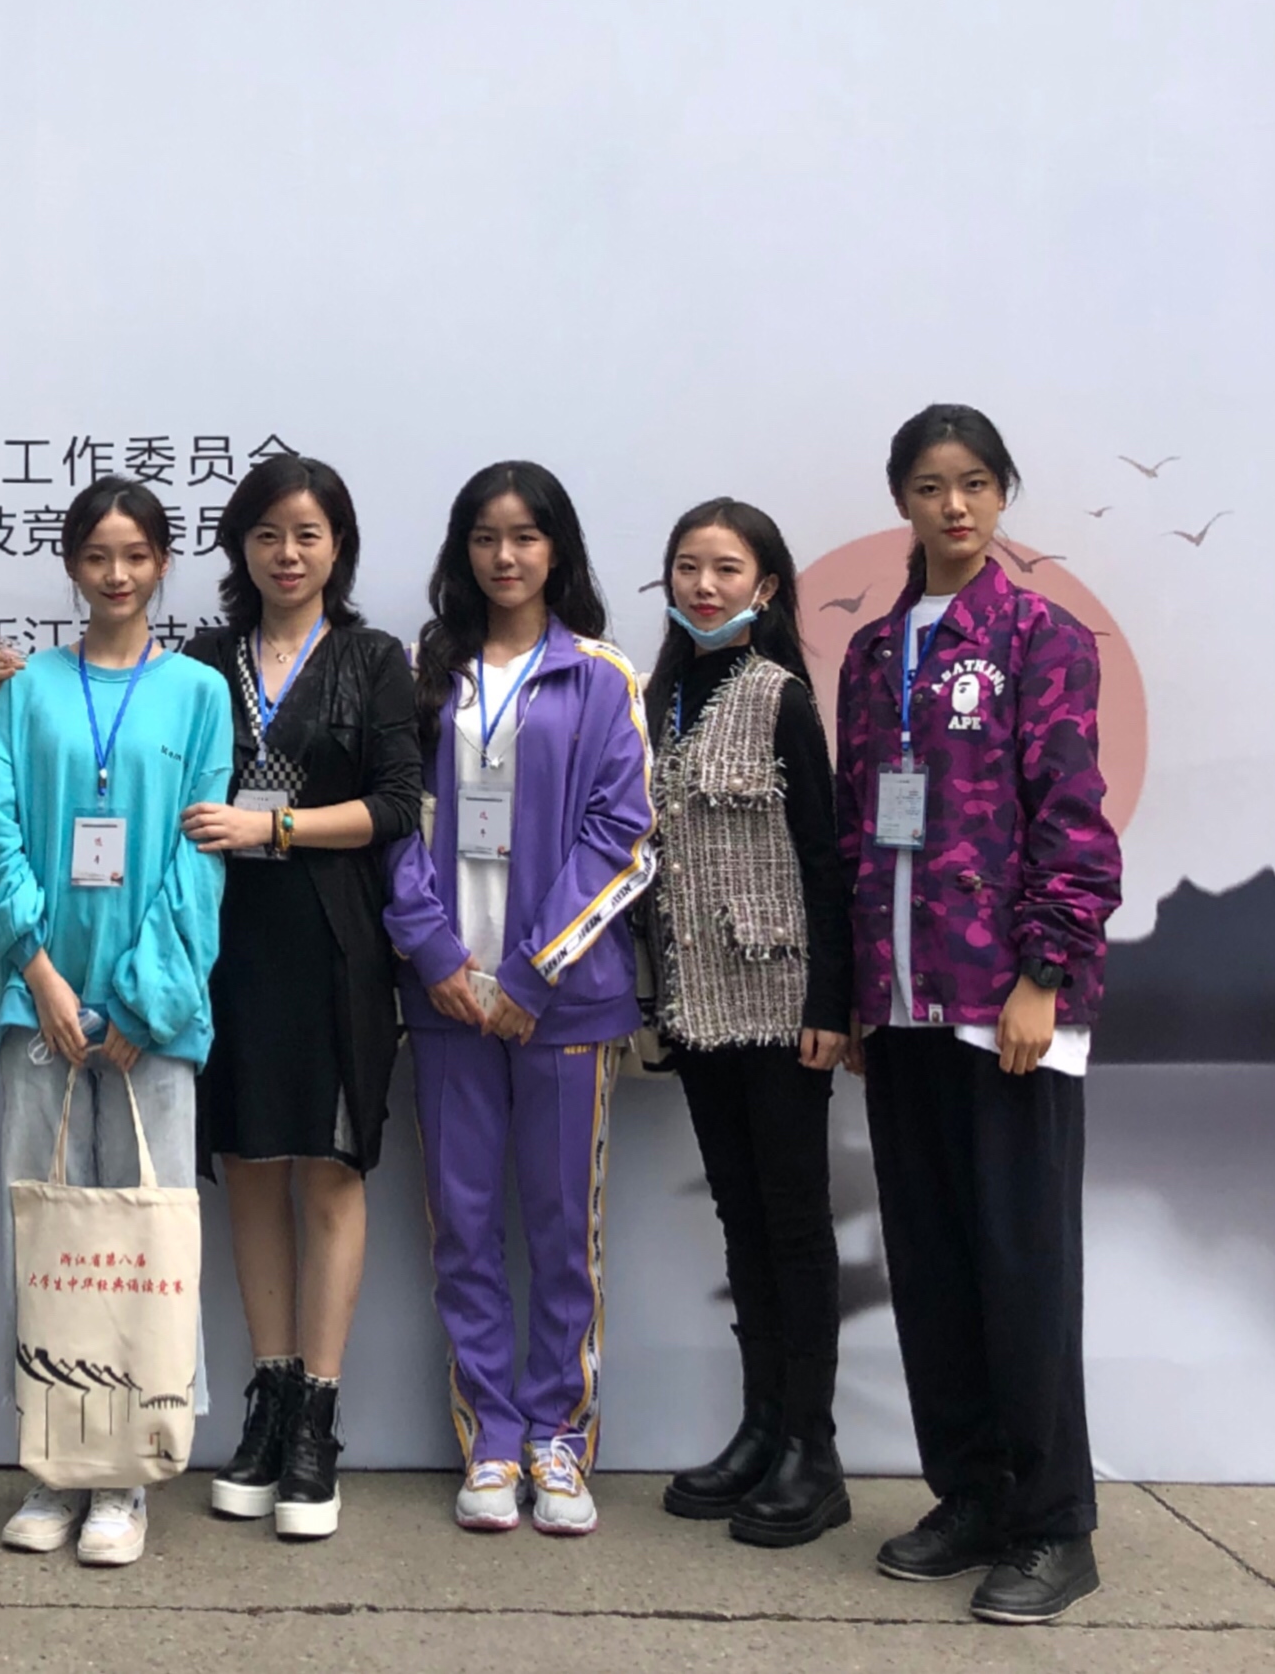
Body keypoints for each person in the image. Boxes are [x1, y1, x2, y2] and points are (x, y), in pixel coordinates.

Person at [836, 405, 1121, 1625]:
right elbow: (855, 829)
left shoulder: (1039, 639)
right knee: (932, 1264)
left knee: (1022, 1268)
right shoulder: (869, 654)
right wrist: (857, 997)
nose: (951, 506)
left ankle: (1053, 1523)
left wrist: (1041, 975)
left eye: (972, 484)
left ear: (1002, 495)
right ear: (900, 500)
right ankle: (969, 1495)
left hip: (1004, 1007)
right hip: (900, 1010)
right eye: (927, 485)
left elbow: (1072, 820)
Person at [0, 475, 232, 1569]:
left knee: (144, 1242)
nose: (115, 574)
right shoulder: (23, 690)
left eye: (135, 554)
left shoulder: (199, 693)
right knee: (48, 1235)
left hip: (149, 1021)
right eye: (95, 556)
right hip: (40, 1008)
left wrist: (142, 999)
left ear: (162, 562)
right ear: (71, 566)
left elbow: (199, 860)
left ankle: (126, 1476)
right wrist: (41, 976)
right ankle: (52, 1463)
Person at [382, 461, 654, 1539]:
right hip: (447, 1000)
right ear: (462, 550)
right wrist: (436, 956)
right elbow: (391, 820)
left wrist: (534, 971)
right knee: (462, 1227)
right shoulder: (422, 673)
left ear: (556, 549)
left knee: (560, 1230)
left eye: (525, 535)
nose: (505, 556)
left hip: (563, 1007)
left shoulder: (598, 675)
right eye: (486, 536)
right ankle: (490, 1439)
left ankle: (558, 1437)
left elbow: (622, 834)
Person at [169, 455, 424, 1542]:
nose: (287, 553)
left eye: (308, 534)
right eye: (268, 532)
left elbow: (397, 803)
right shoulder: (201, 657)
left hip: (332, 943)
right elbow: (135, 742)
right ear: (241, 544)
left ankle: (318, 1422)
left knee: (327, 1168)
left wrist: (271, 825)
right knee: (246, 1164)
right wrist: (16, 687)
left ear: (338, 548)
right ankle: (266, 1404)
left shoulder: (373, 658)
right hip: (224, 942)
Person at [637, 499, 855, 1547]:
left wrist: (830, 1005)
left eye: (725, 568)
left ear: (765, 587)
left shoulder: (779, 696)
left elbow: (823, 854)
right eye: (687, 567)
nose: (704, 585)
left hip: (778, 1001)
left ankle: (813, 1449)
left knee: (793, 1221)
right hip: (695, 1002)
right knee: (739, 1218)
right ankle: (760, 1427)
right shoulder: (657, 696)